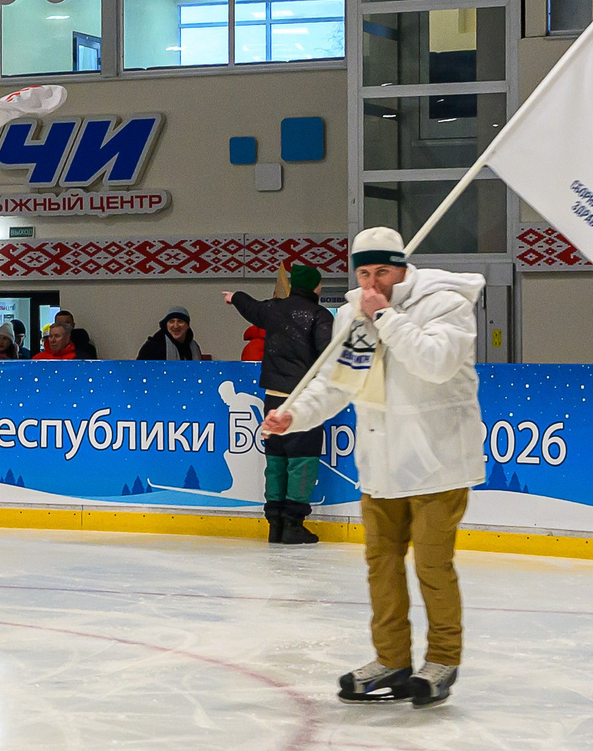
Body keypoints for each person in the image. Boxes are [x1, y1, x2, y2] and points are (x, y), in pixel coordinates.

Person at [263, 226, 484, 708]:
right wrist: (293, 415)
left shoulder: (446, 303)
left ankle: (442, 660)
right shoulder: (353, 316)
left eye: (382, 271)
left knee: (431, 564)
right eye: (363, 272)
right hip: (381, 465)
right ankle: (392, 660)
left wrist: (384, 315)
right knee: (380, 566)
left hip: (438, 464)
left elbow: (436, 362)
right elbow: (336, 383)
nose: (372, 282)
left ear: (402, 267)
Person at [228, 265, 338, 545]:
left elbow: (252, 308)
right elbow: (329, 355)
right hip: (302, 401)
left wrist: (235, 296)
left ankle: (274, 524)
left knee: (276, 460)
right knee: (302, 460)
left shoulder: (275, 309)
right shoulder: (320, 316)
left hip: (273, 398)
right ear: (317, 288)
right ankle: (292, 523)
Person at [137, 307, 208, 361]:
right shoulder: (152, 348)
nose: (176, 326)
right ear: (166, 325)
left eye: (180, 321)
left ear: (187, 326)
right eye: (171, 321)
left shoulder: (194, 347)